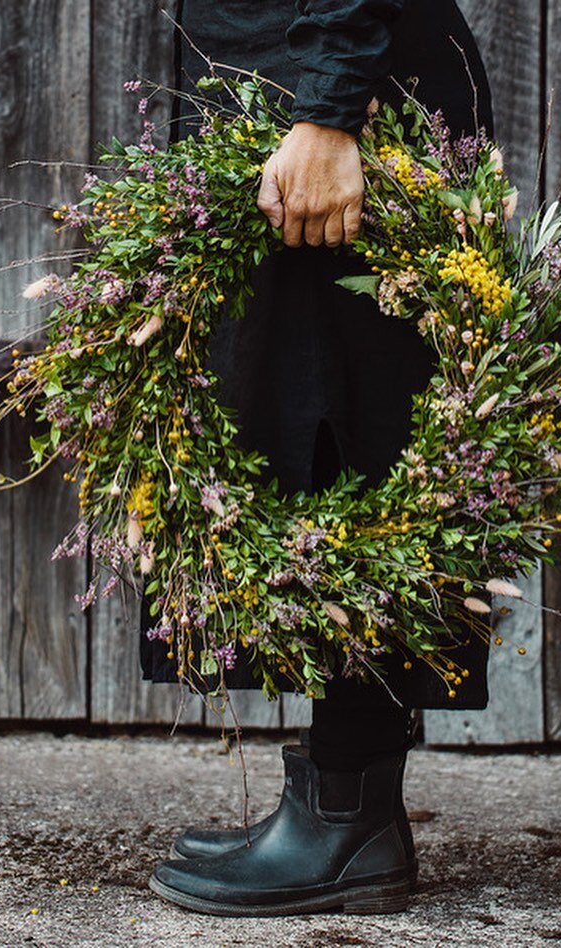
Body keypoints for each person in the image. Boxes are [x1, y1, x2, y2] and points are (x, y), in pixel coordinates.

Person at [143, 0, 495, 916]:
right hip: (287, 94)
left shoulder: (331, 109)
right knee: (308, 421)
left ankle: (350, 817)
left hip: (337, 108)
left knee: (360, 445)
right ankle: (338, 806)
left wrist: (331, 105)